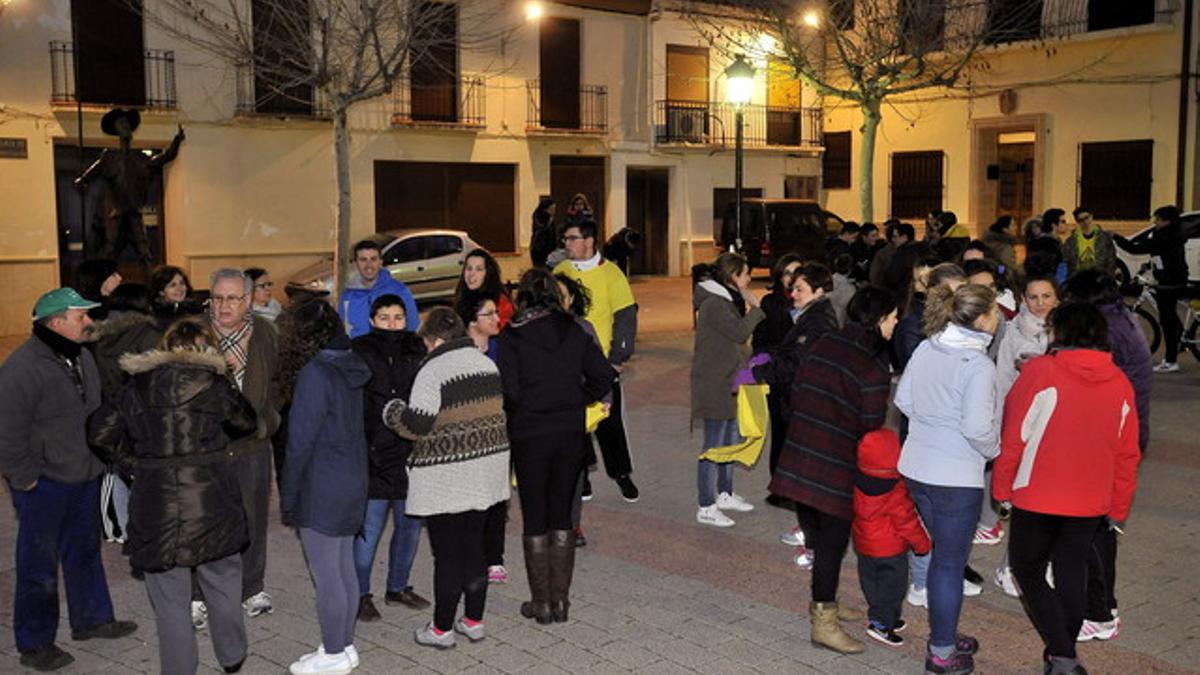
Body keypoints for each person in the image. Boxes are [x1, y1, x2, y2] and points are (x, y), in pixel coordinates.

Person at [89, 318, 257, 675]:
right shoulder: (214, 385)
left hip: (155, 501)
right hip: (212, 500)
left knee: (169, 600)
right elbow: (246, 423)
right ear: (207, 349)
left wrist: (133, 464)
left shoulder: (135, 386)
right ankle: (232, 655)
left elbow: (99, 433)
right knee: (224, 578)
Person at [993, 303, 1140, 675]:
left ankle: (1063, 655)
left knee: (1027, 569)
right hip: (1091, 500)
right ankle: (1061, 655)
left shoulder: (1042, 371)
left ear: (1062, 332)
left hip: (1036, 494)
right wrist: (1118, 509)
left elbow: (1014, 436)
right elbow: (1128, 454)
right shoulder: (1120, 382)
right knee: (1071, 569)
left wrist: (1001, 488)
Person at [0, 288, 138, 672]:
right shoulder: (21, 369)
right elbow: (6, 433)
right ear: (56, 322)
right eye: (82, 316)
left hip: (84, 476)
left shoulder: (80, 357)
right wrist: (26, 480)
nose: (90, 322)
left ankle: (92, 620)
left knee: (85, 553)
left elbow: (94, 413)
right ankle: (35, 643)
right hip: (43, 484)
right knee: (38, 566)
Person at [769, 287, 899, 655]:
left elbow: (797, 389)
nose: (895, 324)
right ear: (877, 320)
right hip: (835, 462)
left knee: (816, 534)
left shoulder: (826, 341)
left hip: (802, 450)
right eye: (892, 317)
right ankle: (824, 621)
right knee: (831, 544)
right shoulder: (873, 361)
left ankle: (823, 598)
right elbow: (871, 421)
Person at [383, 308, 511, 649]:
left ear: (436, 339)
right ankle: (473, 621)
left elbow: (417, 425)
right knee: (476, 550)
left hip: (448, 477)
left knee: (449, 556)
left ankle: (441, 630)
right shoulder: (487, 364)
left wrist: (392, 411)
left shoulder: (433, 370)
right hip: (487, 472)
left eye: (426, 342)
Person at [895, 283, 1002, 675]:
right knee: (948, 565)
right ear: (981, 318)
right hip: (954, 476)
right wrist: (994, 448)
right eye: (995, 311)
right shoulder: (978, 365)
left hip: (916, 468)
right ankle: (941, 652)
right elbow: (978, 427)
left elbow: (904, 401)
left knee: (941, 559)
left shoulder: (928, 346)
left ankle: (944, 630)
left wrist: (933, 420)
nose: (1000, 316)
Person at [497, 269, 613, 623]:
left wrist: (528, 407)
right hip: (568, 431)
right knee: (563, 512)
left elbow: (509, 391)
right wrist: (577, 398)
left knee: (535, 514)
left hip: (530, 433)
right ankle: (561, 602)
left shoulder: (512, 337)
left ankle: (541, 602)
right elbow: (604, 376)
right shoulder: (573, 331)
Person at [278, 300, 372, 675]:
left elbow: (299, 441)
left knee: (326, 573)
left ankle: (333, 654)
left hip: (323, 482)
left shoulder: (316, 373)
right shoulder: (350, 364)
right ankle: (343, 645)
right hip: (352, 477)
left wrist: (288, 494)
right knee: (343, 566)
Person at [1062, 270, 1152, 637]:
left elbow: (1093, 390)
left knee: (1095, 530)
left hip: (1110, 441)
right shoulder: (1120, 318)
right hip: (1123, 435)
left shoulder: (1107, 331)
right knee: (1098, 528)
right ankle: (1101, 605)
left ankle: (1099, 611)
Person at [203, 268, 280, 625]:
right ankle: (196, 594)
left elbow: (281, 384)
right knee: (201, 519)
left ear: (247, 301)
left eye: (232, 298)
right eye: (217, 298)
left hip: (252, 446)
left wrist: (267, 423)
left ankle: (252, 587)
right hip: (205, 449)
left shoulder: (266, 333)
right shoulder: (194, 334)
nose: (223, 306)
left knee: (253, 518)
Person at [350, 295, 430, 623]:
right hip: (374, 454)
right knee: (369, 531)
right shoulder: (360, 350)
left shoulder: (416, 348)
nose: (392, 324)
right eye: (385, 318)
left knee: (409, 527)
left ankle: (398, 585)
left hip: (412, 454)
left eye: (398, 317)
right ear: (372, 320)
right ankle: (359, 594)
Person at [554, 219, 641, 502]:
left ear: (589, 241)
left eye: (571, 238)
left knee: (610, 422)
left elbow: (626, 318)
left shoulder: (612, 274)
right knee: (573, 424)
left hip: (601, 364)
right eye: (565, 238)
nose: (566, 243)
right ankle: (582, 476)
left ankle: (622, 474)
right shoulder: (560, 272)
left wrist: (618, 359)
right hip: (568, 364)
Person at [985, 275, 1059, 594]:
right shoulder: (1013, 331)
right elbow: (1002, 381)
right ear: (1023, 299)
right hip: (1024, 423)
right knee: (1026, 499)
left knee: (1053, 501)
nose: (1040, 303)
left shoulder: (1067, 327)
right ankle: (1011, 565)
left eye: (1046, 296)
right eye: (1033, 297)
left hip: (1058, 426)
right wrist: (1001, 423)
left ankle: (1046, 562)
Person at [691, 253, 765, 528]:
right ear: (734, 277)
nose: (749, 280)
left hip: (729, 381)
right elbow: (739, 333)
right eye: (746, 274)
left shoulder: (722, 300)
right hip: (714, 384)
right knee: (712, 447)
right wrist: (755, 307)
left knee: (730, 441)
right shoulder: (714, 303)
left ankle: (724, 493)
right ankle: (706, 505)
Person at [85, 282, 162, 542]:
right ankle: (137, 527)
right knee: (140, 469)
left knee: (113, 469)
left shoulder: (98, 334)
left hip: (107, 407)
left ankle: (116, 528)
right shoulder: (146, 331)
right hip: (140, 409)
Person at [752, 262, 837, 485]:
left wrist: (759, 371)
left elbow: (795, 363)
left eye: (800, 289)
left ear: (819, 291)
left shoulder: (817, 322)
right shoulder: (806, 315)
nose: (793, 294)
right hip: (794, 396)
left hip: (800, 397)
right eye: (793, 289)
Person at [74, 108, 183, 268]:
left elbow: (163, 158)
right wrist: (81, 181)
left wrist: (177, 140)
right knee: (110, 253)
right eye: (121, 124)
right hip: (116, 215)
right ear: (116, 130)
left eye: (127, 124)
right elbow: (88, 176)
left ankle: (152, 288)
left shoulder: (140, 158)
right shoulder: (108, 157)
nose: (125, 127)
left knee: (145, 253)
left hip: (134, 214)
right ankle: (104, 286)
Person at [853, 429, 931, 647]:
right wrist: (922, 544)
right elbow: (907, 522)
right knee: (894, 587)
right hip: (890, 549)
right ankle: (881, 623)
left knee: (872, 583)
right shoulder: (895, 491)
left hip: (864, 545)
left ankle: (884, 615)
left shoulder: (855, 481)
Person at [456, 290, 508, 582]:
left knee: (497, 497)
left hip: (498, 435)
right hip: (467, 438)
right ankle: (470, 554)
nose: (496, 319)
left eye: (496, 313)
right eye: (489, 314)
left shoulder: (503, 349)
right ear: (472, 322)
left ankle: (495, 559)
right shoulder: (458, 354)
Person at [1114, 205, 1191, 372]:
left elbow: (1134, 249)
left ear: (1166, 221)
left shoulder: (1163, 236)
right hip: (1177, 279)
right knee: (1171, 315)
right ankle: (1181, 342)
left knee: (1167, 321)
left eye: (1157, 219)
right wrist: (1149, 265)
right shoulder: (1176, 234)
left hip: (1168, 283)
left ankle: (1171, 361)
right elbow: (1164, 257)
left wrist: (1116, 237)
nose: (1155, 222)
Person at [338, 239, 419, 338]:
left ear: (381, 262)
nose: (369, 265)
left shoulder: (399, 291)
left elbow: (412, 326)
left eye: (373, 259)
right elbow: (342, 331)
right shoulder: (347, 296)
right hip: (358, 351)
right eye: (363, 260)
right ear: (355, 263)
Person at [751, 253, 803, 355]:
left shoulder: (810, 301)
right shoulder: (769, 302)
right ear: (780, 276)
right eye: (787, 273)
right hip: (775, 360)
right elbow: (759, 338)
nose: (792, 277)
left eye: (796, 273)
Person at [455, 248, 515, 329]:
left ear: (488, 274)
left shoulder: (501, 303)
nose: (471, 274)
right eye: (469, 268)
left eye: (479, 269)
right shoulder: (462, 298)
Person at [1062, 208, 1117, 277]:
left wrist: (1107, 278)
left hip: (1099, 279)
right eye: (1081, 220)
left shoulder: (1104, 238)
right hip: (1078, 279)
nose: (1085, 222)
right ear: (1077, 221)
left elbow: (1111, 260)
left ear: (1091, 216)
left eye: (1087, 217)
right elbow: (1066, 261)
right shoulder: (1071, 241)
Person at [529, 198, 558, 269]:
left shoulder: (550, 219)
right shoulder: (540, 218)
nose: (554, 211)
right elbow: (541, 231)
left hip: (549, 249)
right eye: (552, 209)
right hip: (540, 249)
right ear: (546, 209)